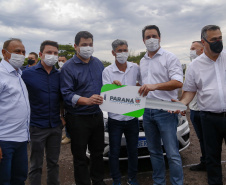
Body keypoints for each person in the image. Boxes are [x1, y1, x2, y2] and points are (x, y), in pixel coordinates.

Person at [178, 25, 226, 185]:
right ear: (204, 42)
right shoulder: (194, 66)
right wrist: (182, 103)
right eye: (214, 40)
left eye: (220, 38)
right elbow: (190, 91)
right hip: (209, 118)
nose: (218, 42)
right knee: (212, 157)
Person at [138, 25, 184, 185]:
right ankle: (159, 182)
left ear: (160, 38)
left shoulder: (169, 57)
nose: (151, 39)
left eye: (154, 36)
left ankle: (177, 182)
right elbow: (140, 84)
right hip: (147, 111)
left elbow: (178, 82)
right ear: (143, 40)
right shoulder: (142, 61)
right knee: (154, 151)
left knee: (172, 152)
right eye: (148, 37)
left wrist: (154, 86)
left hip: (166, 110)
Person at [60, 31, 106, 185]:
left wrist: (116, 85)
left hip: (97, 116)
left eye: (90, 45)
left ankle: (98, 181)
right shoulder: (68, 67)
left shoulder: (98, 63)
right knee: (80, 157)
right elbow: (66, 93)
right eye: (84, 45)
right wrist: (85, 100)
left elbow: (105, 85)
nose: (88, 48)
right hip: (78, 118)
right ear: (76, 46)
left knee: (97, 153)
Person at [22, 40, 65, 185]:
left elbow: (62, 97)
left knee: (53, 163)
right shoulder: (27, 74)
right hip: (36, 126)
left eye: (55, 53)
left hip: (55, 126)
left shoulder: (59, 75)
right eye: (49, 52)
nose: (52, 56)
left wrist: (62, 116)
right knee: (35, 164)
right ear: (41, 54)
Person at [102, 39, 141, 185]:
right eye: (120, 50)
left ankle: (132, 178)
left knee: (133, 151)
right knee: (114, 152)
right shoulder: (107, 71)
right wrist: (113, 87)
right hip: (115, 119)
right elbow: (106, 94)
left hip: (132, 118)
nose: (123, 53)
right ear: (113, 53)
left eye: (125, 50)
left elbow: (141, 83)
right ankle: (116, 180)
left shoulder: (135, 68)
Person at [0, 38, 30, 184]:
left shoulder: (18, 74)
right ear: (4, 53)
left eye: (23, 52)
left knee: (19, 179)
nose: (21, 55)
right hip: (4, 140)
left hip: (21, 139)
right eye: (17, 51)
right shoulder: (1, 74)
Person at [188, 41, 206, 171]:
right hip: (194, 110)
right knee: (201, 139)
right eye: (190, 48)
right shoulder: (190, 67)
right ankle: (205, 162)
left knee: (211, 140)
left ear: (202, 49)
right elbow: (187, 89)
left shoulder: (208, 65)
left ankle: (211, 164)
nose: (191, 51)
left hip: (206, 110)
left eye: (194, 48)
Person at [57, 55, 71, 144]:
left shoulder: (69, 71)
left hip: (67, 97)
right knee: (62, 115)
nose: (61, 62)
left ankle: (69, 136)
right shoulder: (58, 71)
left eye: (63, 60)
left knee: (68, 116)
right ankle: (66, 133)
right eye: (59, 60)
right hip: (60, 97)